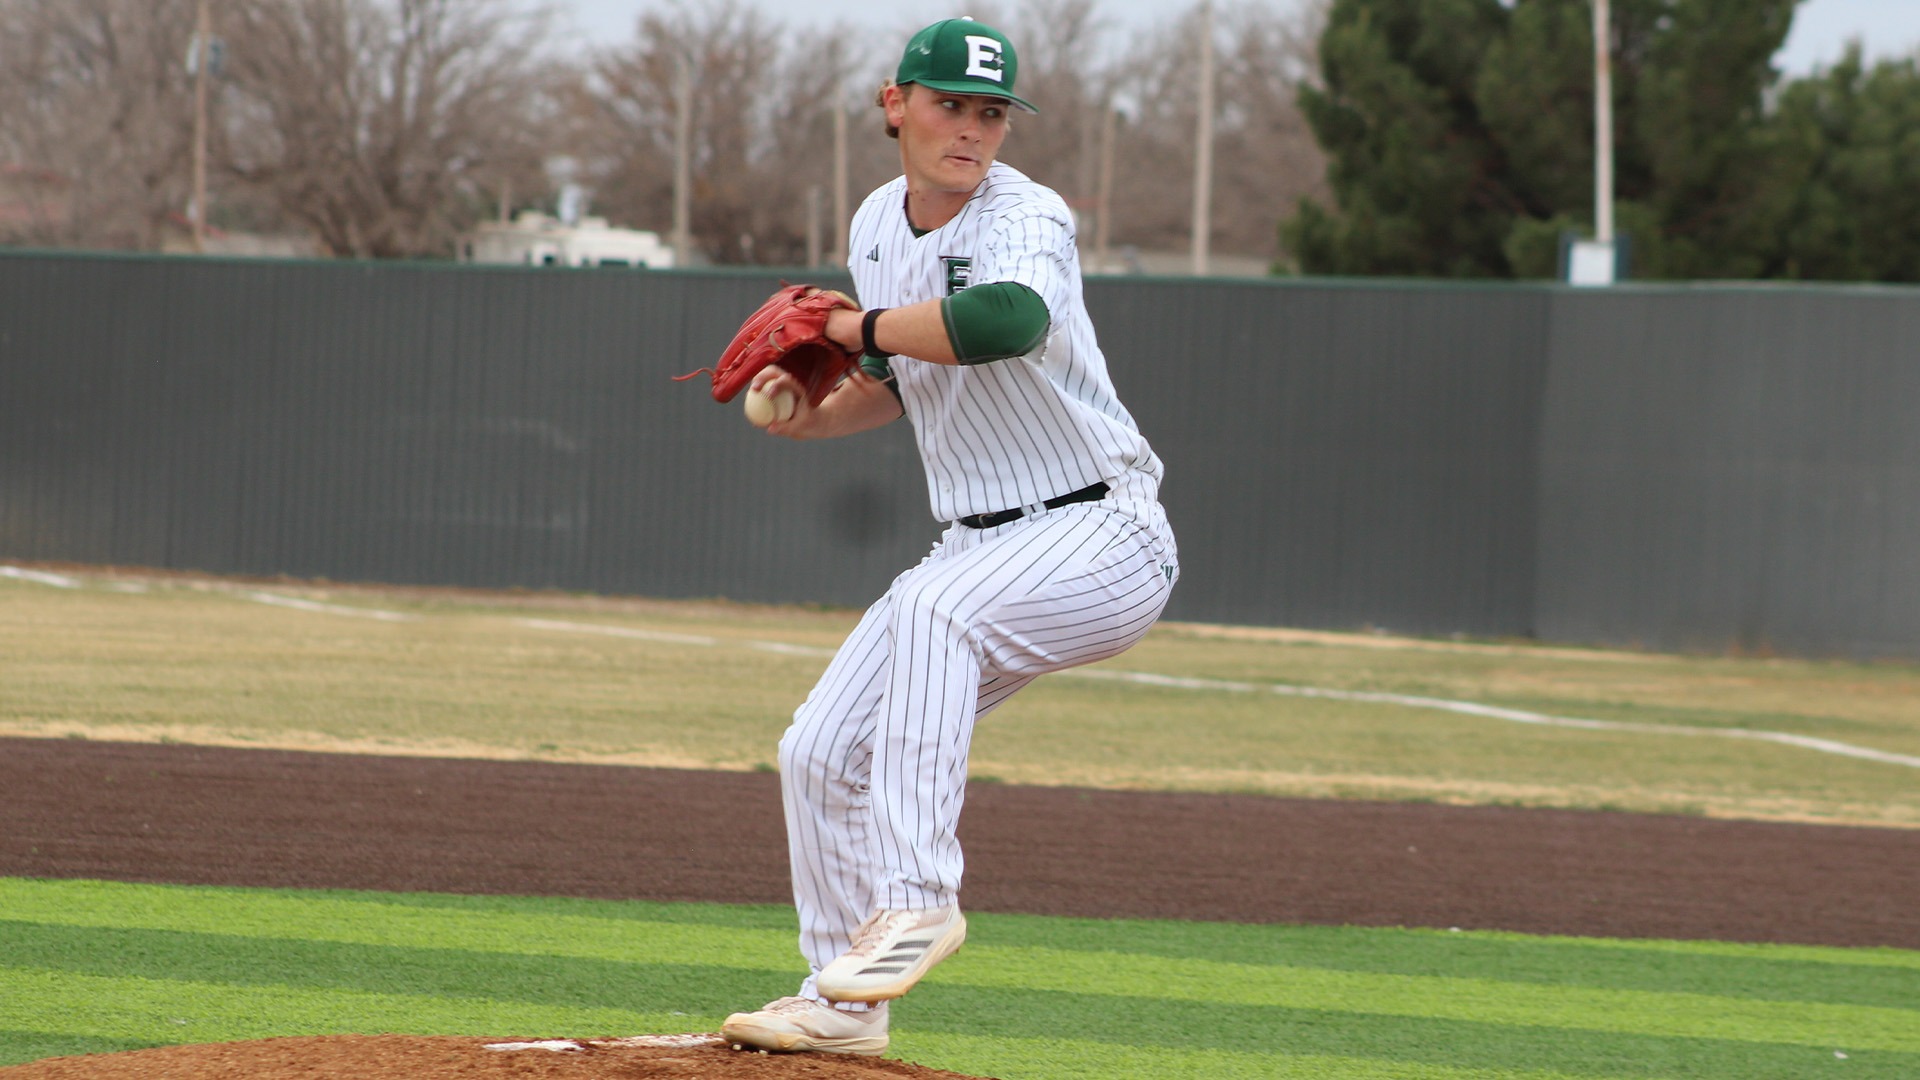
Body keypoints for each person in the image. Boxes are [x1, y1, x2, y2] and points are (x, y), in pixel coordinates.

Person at [720, 16, 1179, 1057]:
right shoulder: (880, 221)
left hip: (1103, 533)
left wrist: (852, 328)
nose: (972, 129)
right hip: (980, 546)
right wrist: (809, 408)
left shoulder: (1029, 215)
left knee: (935, 610)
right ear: (897, 105)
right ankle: (843, 1010)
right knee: (819, 750)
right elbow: (894, 382)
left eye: (991, 112)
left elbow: (1005, 321)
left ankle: (920, 900)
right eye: (950, 105)